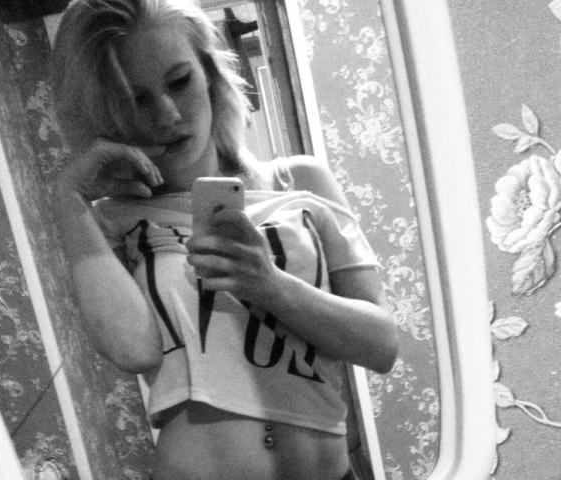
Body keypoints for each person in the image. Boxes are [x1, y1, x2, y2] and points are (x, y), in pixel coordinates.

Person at [50, 1, 399, 479]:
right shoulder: (112, 220)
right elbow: (135, 351)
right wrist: (67, 197)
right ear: (109, 113)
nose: (167, 114)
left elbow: (381, 346)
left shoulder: (300, 183)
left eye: (179, 82)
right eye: (137, 99)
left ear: (210, 74)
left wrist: (271, 285)